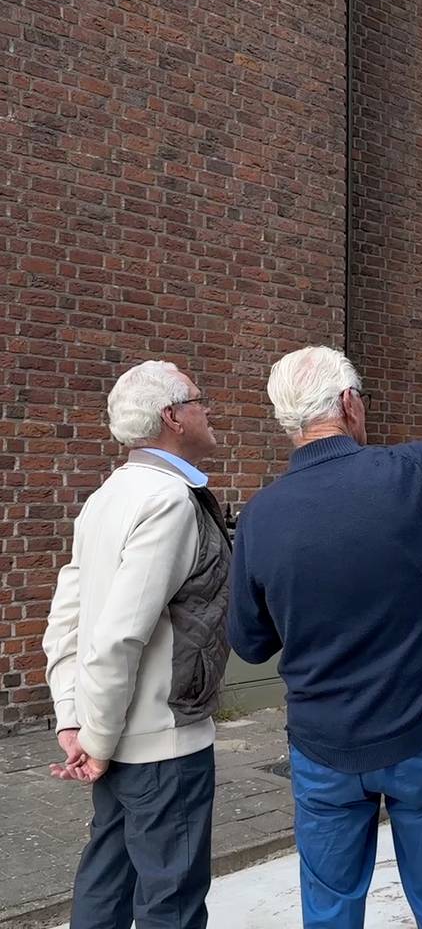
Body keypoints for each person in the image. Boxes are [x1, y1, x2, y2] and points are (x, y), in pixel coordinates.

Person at [228, 337, 422, 929]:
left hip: (322, 747)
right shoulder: (412, 475)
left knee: (330, 907)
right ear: (349, 403)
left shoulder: (261, 514)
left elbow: (251, 642)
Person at [42, 360, 231, 929]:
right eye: (199, 400)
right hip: (161, 744)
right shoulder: (169, 500)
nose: (208, 409)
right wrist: (93, 739)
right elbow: (118, 634)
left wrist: (73, 719)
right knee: (169, 903)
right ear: (172, 416)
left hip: (118, 736)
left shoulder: (107, 495)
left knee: (106, 880)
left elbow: (66, 618)